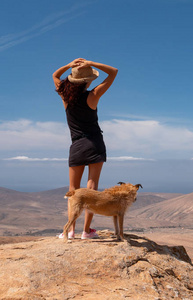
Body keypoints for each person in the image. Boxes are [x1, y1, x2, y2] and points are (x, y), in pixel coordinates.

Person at [53, 58, 118, 239]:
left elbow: (55, 75)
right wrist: (91, 62)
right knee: (92, 189)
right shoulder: (93, 95)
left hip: (76, 146)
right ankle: (86, 231)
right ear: (88, 81)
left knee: (73, 190)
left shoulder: (65, 97)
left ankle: (70, 231)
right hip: (95, 143)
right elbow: (113, 71)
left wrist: (69, 65)